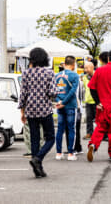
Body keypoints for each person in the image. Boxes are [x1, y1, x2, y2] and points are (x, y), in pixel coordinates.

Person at [18, 47, 56, 178]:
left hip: (30, 110)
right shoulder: (49, 73)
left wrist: (22, 112)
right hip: (45, 109)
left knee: (34, 139)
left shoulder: (26, 73)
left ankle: (37, 169)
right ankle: (38, 159)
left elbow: (23, 95)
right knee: (50, 138)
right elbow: (52, 92)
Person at [55, 56, 79, 161]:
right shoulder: (75, 75)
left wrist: (59, 101)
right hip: (70, 105)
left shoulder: (57, 75)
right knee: (71, 129)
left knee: (60, 129)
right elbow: (73, 91)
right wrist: (65, 102)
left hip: (59, 105)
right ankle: (70, 153)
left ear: (64, 64)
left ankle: (58, 153)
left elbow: (53, 91)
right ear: (73, 65)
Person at [83, 61, 96, 140]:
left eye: (87, 68)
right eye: (85, 68)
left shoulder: (97, 75)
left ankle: (101, 134)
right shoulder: (85, 77)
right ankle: (89, 133)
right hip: (88, 101)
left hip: (96, 101)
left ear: (92, 67)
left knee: (99, 119)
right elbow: (85, 87)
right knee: (89, 118)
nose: (85, 70)